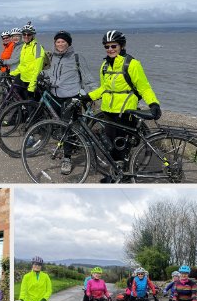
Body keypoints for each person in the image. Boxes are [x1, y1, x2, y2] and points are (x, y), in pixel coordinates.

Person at [79, 30, 164, 182]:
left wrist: (153, 104)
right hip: (108, 111)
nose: (110, 49)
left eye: (113, 46)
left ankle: (122, 177)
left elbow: (144, 87)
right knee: (111, 145)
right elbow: (104, 88)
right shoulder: (105, 65)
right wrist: (88, 96)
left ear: (122, 46)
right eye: (107, 47)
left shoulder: (131, 64)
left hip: (125, 111)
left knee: (122, 148)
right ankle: (115, 174)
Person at [47, 30, 89, 175]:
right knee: (59, 126)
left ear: (68, 43)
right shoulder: (53, 57)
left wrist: (91, 94)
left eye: (63, 41)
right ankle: (69, 147)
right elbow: (52, 74)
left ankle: (67, 158)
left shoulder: (77, 57)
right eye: (57, 41)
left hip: (71, 96)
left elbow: (87, 77)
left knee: (67, 128)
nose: (60, 44)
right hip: (55, 95)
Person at [9, 22, 45, 99]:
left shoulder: (37, 47)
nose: (26, 36)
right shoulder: (24, 46)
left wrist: (32, 87)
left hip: (31, 82)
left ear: (33, 35)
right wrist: (12, 73)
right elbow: (22, 65)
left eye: (29, 34)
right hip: (23, 79)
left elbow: (37, 69)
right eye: (24, 34)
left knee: (31, 108)